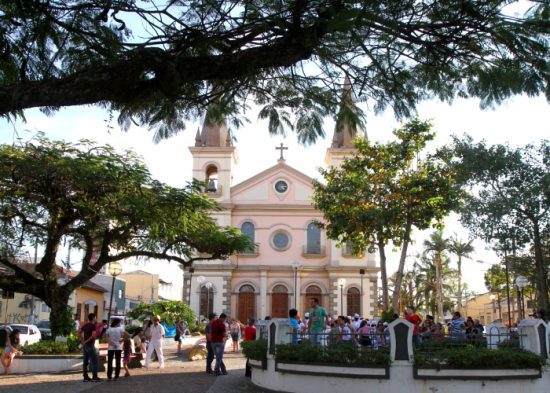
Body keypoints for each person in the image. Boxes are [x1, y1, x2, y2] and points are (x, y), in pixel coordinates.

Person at [78, 313, 102, 382]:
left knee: (85, 362)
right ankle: (95, 377)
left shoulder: (85, 325)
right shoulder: (93, 326)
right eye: (95, 317)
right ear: (94, 318)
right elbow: (93, 336)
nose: (96, 318)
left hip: (85, 346)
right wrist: (86, 341)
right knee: (95, 361)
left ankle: (85, 377)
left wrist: (83, 341)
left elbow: (78, 332)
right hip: (90, 345)